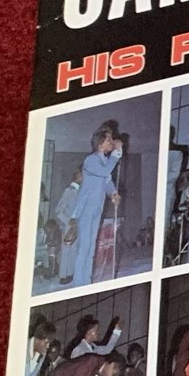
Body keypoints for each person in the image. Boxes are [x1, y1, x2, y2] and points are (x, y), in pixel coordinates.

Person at [66, 123, 124, 287]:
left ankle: (87, 282)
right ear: (100, 144)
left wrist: (113, 193)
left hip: (96, 208)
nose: (111, 142)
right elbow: (105, 172)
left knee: (91, 248)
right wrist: (116, 153)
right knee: (84, 248)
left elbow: (107, 182)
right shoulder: (91, 160)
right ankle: (79, 283)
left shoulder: (104, 160)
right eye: (108, 140)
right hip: (85, 209)